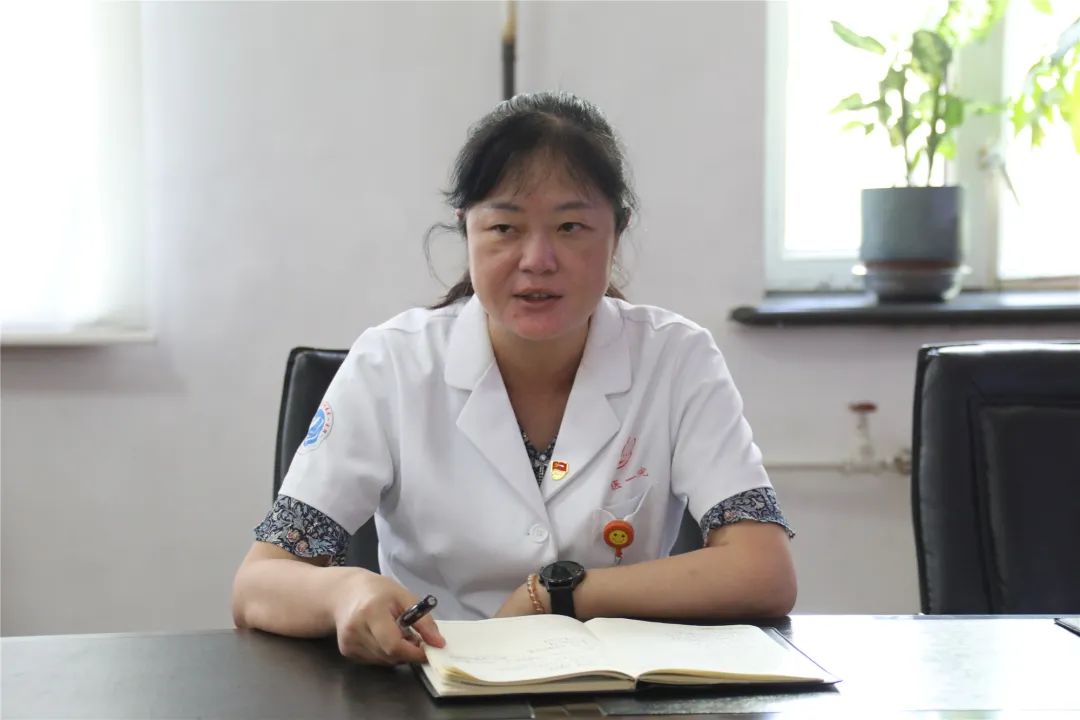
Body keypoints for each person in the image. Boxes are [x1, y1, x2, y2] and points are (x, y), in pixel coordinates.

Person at [232, 91, 796, 666]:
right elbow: (258, 585)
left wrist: (558, 594)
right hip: (438, 680)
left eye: (571, 226)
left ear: (617, 231)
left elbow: (763, 570)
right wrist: (345, 592)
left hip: (619, 685)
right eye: (505, 227)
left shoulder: (676, 357)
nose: (537, 260)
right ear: (467, 230)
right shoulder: (392, 364)